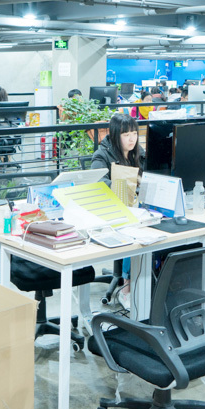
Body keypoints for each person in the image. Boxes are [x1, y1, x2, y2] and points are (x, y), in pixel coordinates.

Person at [89, 112, 144, 309]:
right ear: (115, 135)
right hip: (111, 211)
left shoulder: (139, 152)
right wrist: (124, 186)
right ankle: (126, 289)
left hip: (136, 209)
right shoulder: (102, 154)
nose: (132, 139)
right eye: (126, 135)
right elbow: (98, 182)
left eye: (134, 134)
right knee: (133, 232)